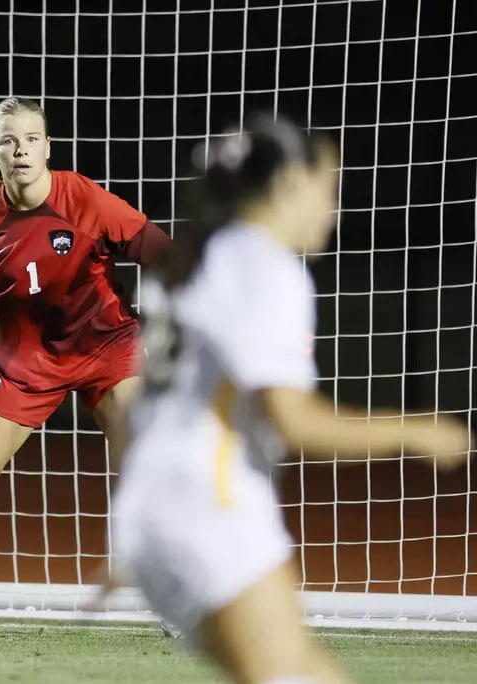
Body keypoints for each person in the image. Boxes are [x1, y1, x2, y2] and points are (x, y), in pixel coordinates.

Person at [113, 117, 471, 683]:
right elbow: (294, 421)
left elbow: (142, 404)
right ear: (287, 185)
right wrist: (415, 431)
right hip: (209, 511)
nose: (335, 208)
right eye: (328, 188)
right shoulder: (264, 266)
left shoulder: (191, 260)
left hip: (157, 510)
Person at [0, 96, 171, 562]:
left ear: (47, 147)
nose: (21, 150)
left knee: (148, 468)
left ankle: (177, 594)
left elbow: (162, 252)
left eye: (31, 140)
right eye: (9, 141)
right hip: (23, 363)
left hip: (105, 351)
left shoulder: (85, 199)